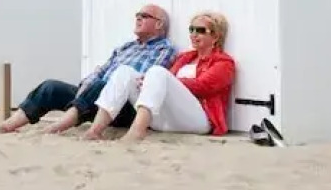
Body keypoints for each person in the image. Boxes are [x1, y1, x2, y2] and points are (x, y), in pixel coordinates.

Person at [0, 5, 176, 134]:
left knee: (102, 85)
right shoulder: (125, 47)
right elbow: (101, 70)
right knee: (51, 87)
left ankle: (57, 127)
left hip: (122, 106)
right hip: (92, 97)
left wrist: (100, 86)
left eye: (144, 16)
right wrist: (86, 84)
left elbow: (149, 79)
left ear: (159, 24)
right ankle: (8, 126)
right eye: (137, 15)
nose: (138, 18)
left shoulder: (164, 49)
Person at [86, 10, 235, 141]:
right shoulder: (184, 57)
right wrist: (147, 82)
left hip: (199, 121)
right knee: (125, 72)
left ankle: (136, 132)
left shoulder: (224, 62)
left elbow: (203, 86)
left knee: (157, 72)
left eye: (201, 30)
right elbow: (164, 83)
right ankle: (95, 130)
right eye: (192, 29)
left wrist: (164, 80)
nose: (194, 34)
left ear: (215, 36)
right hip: (167, 121)